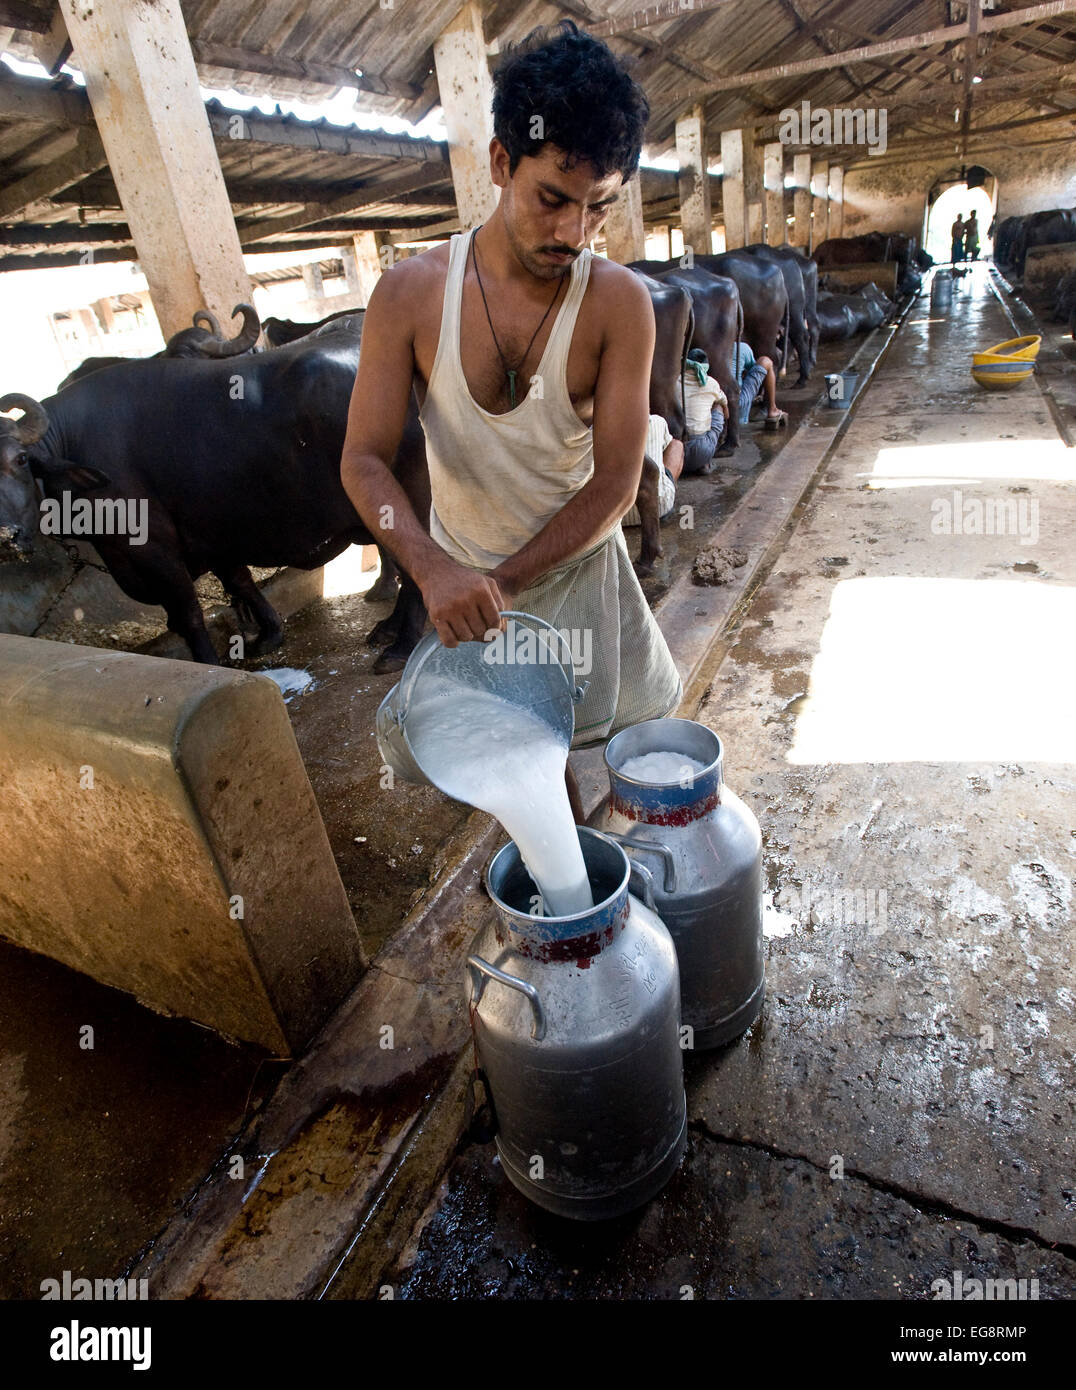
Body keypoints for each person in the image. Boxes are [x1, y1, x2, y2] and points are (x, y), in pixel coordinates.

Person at [339, 21, 682, 821]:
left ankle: (633, 886)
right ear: (501, 162)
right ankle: (570, 882)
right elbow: (362, 461)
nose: (573, 232)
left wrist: (501, 581)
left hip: (574, 568)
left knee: (643, 753)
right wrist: (430, 568)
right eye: (552, 199)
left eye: (597, 209)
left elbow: (615, 483)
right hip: (464, 579)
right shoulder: (411, 296)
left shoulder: (619, 306)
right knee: (532, 769)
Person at [622, 413, 684, 526]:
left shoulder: (594, 428)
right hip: (660, 507)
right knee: (677, 445)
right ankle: (667, 488)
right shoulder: (657, 421)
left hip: (610, 516)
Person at [680, 348, 729, 475]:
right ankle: (705, 462)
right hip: (703, 450)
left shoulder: (675, 381)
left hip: (677, 451)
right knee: (718, 405)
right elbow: (726, 410)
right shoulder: (712, 383)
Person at [736, 340, 787, 432]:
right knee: (765, 361)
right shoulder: (741, 347)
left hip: (711, 408)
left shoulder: (704, 346)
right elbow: (753, 369)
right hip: (736, 407)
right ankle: (772, 410)